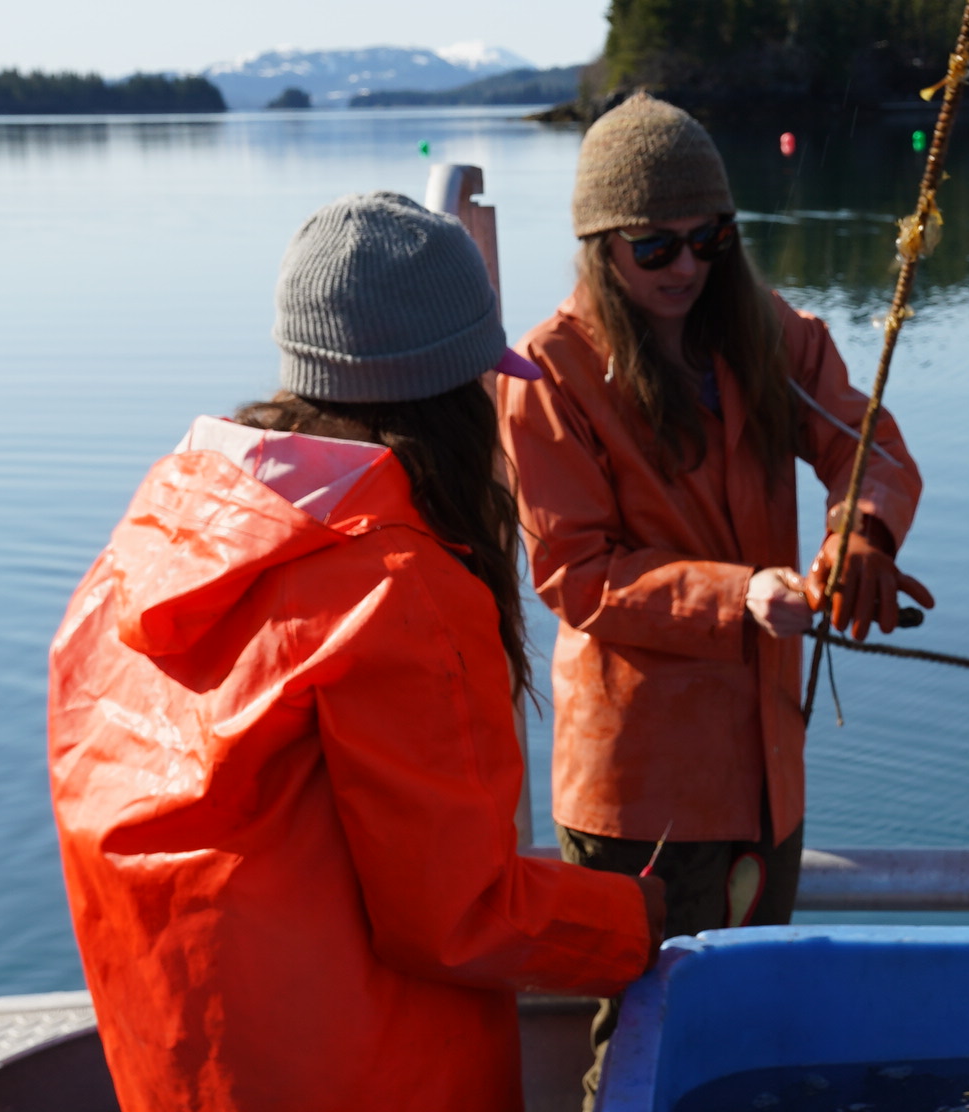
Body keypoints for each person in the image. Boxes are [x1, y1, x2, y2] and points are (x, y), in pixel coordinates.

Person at [47, 192, 667, 1112]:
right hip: (373, 1077)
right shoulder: (398, 587)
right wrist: (638, 922)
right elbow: (460, 914)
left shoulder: (151, 539)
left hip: (180, 1067)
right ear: (456, 395)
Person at [496, 92, 928, 1096]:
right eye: (656, 248)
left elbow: (869, 449)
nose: (688, 266)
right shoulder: (549, 373)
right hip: (639, 785)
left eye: (710, 239)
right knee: (645, 1019)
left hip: (767, 769)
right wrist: (737, 595)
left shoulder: (770, 336)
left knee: (751, 1013)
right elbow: (575, 572)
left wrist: (859, 529)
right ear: (603, 246)